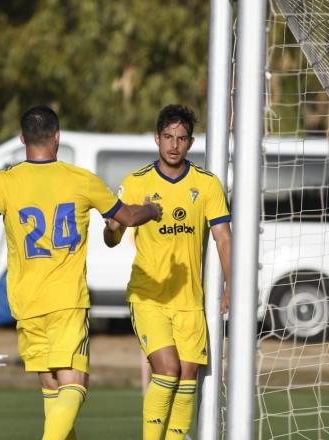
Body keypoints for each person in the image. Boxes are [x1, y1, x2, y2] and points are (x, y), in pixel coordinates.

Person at [0, 105, 163, 440]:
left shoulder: (4, 182)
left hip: (26, 304)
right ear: (57, 137)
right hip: (66, 301)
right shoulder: (81, 179)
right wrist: (152, 210)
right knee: (75, 384)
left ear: (22, 137)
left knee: (52, 388)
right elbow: (125, 217)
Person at [104, 104, 232, 440]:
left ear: (190, 143)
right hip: (149, 297)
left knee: (187, 377)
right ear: (156, 138)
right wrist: (113, 227)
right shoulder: (135, 183)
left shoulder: (206, 185)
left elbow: (222, 236)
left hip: (189, 301)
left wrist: (232, 283)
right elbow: (112, 238)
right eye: (167, 137)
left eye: (181, 138)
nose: (174, 145)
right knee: (168, 370)